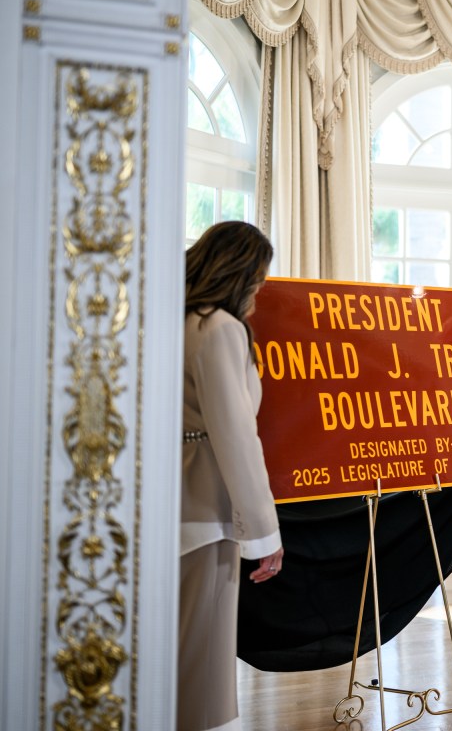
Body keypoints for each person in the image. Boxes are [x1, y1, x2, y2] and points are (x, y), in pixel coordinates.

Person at [180, 221, 284, 731]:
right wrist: (265, 534)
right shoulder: (216, 327)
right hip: (205, 509)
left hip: (168, 502)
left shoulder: (171, 320)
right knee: (203, 664)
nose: (258, 298)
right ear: (238, 273)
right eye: (258, 284)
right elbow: (237, 438)